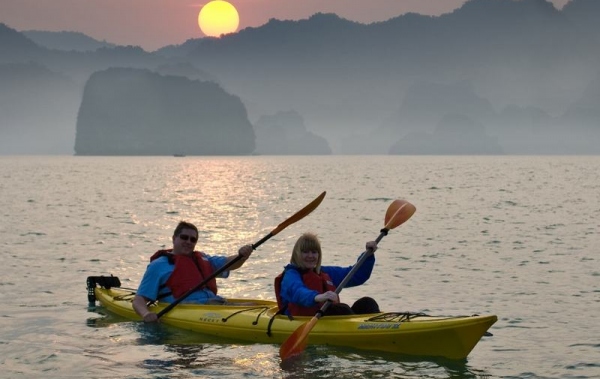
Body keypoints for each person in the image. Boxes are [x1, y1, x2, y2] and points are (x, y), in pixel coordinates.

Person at [132, 221, 253, 323]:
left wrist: (242, 256)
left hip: (216, 304)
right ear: (174, 238)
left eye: (193, 239)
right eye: (184, 237)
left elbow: (229, 263)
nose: (189, 242)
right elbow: (139, 300)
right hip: (190, 311)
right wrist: (146, 314)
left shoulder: (203, 259)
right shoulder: (158, 266)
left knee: (252, 307)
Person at [275, 232, 381, 317]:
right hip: (301, 319)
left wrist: (368, 255)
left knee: (367, 303)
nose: (310, 256)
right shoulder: (291, 276)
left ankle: (380, 329)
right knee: (341, 309)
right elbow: (298, 292)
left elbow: (356, 275)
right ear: (297, 254)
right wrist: (318, 297)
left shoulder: (325, 272)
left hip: (326, 317)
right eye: (305, 252)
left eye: (314, 252)